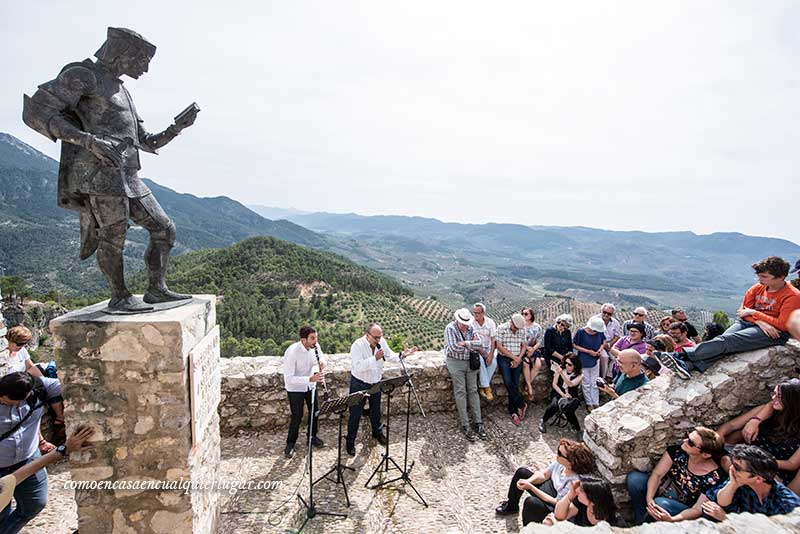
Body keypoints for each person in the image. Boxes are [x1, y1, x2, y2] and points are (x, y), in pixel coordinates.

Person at [23, 27, 199, 312]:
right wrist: (89, 142)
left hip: (129, 175)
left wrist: (177, 127)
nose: (144, 68)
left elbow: (146, 141)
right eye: (142, 61)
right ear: (123, 54)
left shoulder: (122, 90)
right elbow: (37, 112)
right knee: (113, 235)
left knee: (165, 230)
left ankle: (156, 289)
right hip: (99, 174)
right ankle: (120, 295)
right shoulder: (83, 76)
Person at [657, 257, 800, 378]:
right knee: (721, 344)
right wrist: (760, 321)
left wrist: (754, 313)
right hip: (753, 324)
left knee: (726, 341)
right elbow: (742, 312)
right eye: (759, 276)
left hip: (774, 332)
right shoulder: (757, 288)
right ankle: (687, 366)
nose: (759, 279)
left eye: (764, 277)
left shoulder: (792, 295)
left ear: (780, 277)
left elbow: (782, 325)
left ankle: (681, 357)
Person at [0, 372, 64, 533]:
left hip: (29, 459)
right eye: (5, 402)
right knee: (1, 510)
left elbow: (71, 384)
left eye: (15, 403)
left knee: (35, 503)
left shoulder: (41, 388)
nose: (11, 406)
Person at [626, 426, 726, 524]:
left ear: (705, 454)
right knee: (635, 479)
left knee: (660, 504)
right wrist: (649, 499)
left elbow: (697, 509)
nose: (685, 441)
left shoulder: (715, 478)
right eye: (687, 436)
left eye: (691, 442)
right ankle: (641, 521)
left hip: (681, 507)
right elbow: (657, 474)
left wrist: (672, 519)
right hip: (664, 490)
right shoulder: (678, 451)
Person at [716, 378, 800, 494]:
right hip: (747, 454)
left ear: (792, 401)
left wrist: (759, 461)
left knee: (732, 464)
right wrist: (716, 438)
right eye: (774, 393)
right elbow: (731, 425)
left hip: (772, 467)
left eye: (779, 396)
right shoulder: (767, 411)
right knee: (728, 457)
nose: (773, 398)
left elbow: (791, 464)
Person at [346, 324, 416, 456]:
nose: (378, 340)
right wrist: (375, 359)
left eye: (380, 337)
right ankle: (350, 441)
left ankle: (377, 433)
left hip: (375, 382)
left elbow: (390, 356)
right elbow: (357, 366)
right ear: (367, 335)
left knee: (376, 410)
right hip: (359, 383)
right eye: (375, 338)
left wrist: (403, 355)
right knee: (355, 413)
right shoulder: (357, 345)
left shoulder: (381, 341)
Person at [0, 426, 95, 519]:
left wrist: (46, 443)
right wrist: (63, 449)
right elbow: (14, 479)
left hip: (28, 456)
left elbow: (14, 478)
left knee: (34, 505)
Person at [495, 439, 595, 525]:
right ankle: (512, 506)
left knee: (531, 503)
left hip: (557, 504)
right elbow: (544, 475)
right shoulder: (560, 464)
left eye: (560, 454)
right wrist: (528, 481)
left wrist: (530, 487)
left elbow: (556, 501)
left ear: (570, 463)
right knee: (522, 472)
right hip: (550, 487)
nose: (557, 454)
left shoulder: (575, 481)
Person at [2, 328, 65, 454]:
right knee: (30, 410)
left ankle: (60, 417)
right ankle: (42, 441)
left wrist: (41, 382)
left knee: (55, 387)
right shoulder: (3, 357)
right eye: (19, 344)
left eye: (24, 344)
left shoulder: (21, 351)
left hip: (26, 383)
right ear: (9, 340)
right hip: (13, 390)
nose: (22, 346)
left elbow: (30, 367)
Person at [701, 445, 800, 520]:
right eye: (733, 464)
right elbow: (720, 502)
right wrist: (732, 485)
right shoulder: (741, 480)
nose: (731, 468)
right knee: (709, 512)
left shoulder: (787, 504)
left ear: (758, 479)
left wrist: (727, 519)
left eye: (737, 467)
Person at [282, 325, 326, 459]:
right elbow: (289, 379)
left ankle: (311, 437)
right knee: (297, 416)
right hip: (295, 388)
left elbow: (322, 357)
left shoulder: (314, 346)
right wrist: (310, 378)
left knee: (315, 412)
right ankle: (290, 443)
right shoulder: (292, 352)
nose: (315, 341)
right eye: (312, 338)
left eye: (316, 338)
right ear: (303, 339)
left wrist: (322, 363)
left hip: (310, 385)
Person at [444, 308, 486, 441]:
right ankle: (465, 424)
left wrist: (466, 343)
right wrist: (471, 345)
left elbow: (480, 344)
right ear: (457, 320)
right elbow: (453, 347)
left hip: (469, 363)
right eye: (463, 323)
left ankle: (478, 423)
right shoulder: (450, 329)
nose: (466, 325)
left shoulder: (470, 327)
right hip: (456, 363)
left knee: (473, 390)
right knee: (460, 391)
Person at [544, 476, 621, 527]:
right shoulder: (582, 504)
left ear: (591, 498)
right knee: (548, 522)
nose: (577, 491)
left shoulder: (614, 521)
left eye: (581, 490)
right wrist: (569, 496)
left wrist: (557, 526)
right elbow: (559, 516)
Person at [495, 313, 529, 426]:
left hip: (517, 357)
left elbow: (524, 345)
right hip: (504, 358)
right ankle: (521, 404)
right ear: (511, 322)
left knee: (514, 384)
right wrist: (514, 358)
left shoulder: (522, 330)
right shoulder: (501, 328)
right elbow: (499, 346)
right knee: (508, 382)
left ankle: (513, 412)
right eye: (514, 328)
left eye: (517, 329)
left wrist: (518, 359)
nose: (515, 330)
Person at [539, 355, 583, 436]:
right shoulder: (560, 369)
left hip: (572, 395)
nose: (566, 365)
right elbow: (554, 384)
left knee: (569, 411)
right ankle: (543, 420)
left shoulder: (580, 375)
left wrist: (561, 373)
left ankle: (578, 429)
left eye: (569, 364)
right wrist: (563, 394)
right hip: (559, 392)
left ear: (575, 366)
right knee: (554, 405)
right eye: (566, 363)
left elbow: (570, 384)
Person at [572, 316, 606, 412]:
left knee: (595, 381)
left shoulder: (599, 331)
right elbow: (574, 345)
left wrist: (600, 349)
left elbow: (603, 341)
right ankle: (589, 403)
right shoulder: (581, 332)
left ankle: (596, 402)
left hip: (595, 358)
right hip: (583, 359)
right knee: (586, 383)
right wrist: (588, 351)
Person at [470, 303, 497, 401]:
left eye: (477, 313)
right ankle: (487, 388)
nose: (475, 315)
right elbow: (474, 341)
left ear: (483, 313)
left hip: (488, 347)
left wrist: (490, 355)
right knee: (480, 362)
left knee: (493, 363)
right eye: (474, 312)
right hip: (477, 348)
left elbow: (494, 340)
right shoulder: (471, 323)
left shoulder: (490, 322)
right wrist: (484, 354)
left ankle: (482, 386)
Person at [592, 304, 621, 380]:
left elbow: (617, 336)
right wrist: (604, 345)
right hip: (597, 344)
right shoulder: (595, 320)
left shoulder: (615, 323)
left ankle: (608, 376)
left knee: (617, 358)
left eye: (609, 313)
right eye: (604, 312)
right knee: (605, 357)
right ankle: (602, 378)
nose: (606, 314)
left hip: (610, 344)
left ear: (612, 314)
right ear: (601, 311)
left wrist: (609, 344)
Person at [521, 308, 544, 402]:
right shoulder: (521, 326)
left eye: (526, 314)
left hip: (534, 349)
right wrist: (527, 348)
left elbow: (539, 341)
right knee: (525, 364)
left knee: (538, 365)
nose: (524, 315)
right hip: (523, 349)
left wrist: (533, 349)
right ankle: (529, 388)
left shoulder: (537, 327)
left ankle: (527, 385)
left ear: (531, 315)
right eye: (522, 313)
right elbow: (520, 340)